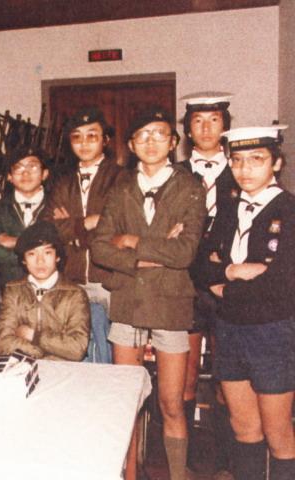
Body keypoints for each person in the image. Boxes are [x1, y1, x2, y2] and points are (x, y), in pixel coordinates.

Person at [90, 107, 206, 480]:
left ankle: (177, 474)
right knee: (127, 402)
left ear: (173, 142)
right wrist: (147, 257)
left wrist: (132, 241)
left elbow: (184, 252)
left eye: (159, 134)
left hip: (171, 305)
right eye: (143, 135)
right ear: (130, 145)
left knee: (171, 403)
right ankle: (128, 474)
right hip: (127, 302)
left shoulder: (190, 188)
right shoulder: (121, 188)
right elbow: (100, 248)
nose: (151, 142)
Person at [198, 126, 295, 480]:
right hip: (228, 329)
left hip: (272, 331)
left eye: (256, 159)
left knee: (278, 431)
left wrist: (226, 288)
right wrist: (233, 271)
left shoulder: (290, 210)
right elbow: (199, 267)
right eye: (237, 160)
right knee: (244, 428)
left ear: (276, 163)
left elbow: (283, 283)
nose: (245, 169)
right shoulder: (227, 209)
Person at [177, 92, 236, 474]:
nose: (206, 128)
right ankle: (185, 464)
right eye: (198, 121)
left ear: (225, 127)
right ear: (187, 131)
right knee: (184, 377)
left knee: (228, 378)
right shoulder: (176, 173)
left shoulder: (243, 168)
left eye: (214, 120)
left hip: (229, 288)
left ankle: (226, 463)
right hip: (187, 285)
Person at [44, 106, 123, 363]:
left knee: (110, 352)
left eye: (92, 135)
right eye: (77, 137)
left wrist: (71, 228)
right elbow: (49, 229)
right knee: (77, 351)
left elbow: (120, 226)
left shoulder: (122, 178)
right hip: (72, 278)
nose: (84, 143)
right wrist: (86, 223)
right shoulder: (61, 182)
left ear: (105, 140)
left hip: (110, 279)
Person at [0, 221, 90, 361]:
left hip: (62, 369)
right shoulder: (13, 290)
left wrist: (34, 336)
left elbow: (77, 348)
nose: (40, 261)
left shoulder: (75, 294)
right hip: (22, 366)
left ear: (57, 257)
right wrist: (39, 353)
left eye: (47, 253)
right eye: (32, 254)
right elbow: (3, 342)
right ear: (24, 260)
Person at [0, 146, 50, 288]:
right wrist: (32, 256)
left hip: (51, 286)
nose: (25, 173)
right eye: (18, 168)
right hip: (11, 286)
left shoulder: (56, 204)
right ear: (10, 177)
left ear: (44, 174)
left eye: (32, 167)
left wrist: (17, 242)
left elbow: (63, 244)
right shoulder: (0, 208)